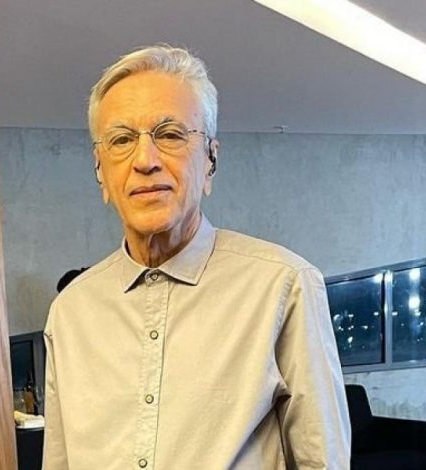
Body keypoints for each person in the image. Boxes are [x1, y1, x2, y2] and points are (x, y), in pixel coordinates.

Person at [43, 44, 350, 469]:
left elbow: (323, 461)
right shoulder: (70, 313)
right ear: (101, 171)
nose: (145, 160)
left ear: (210, 160)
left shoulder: (283, 286)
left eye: (170, 134)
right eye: (121, 140)